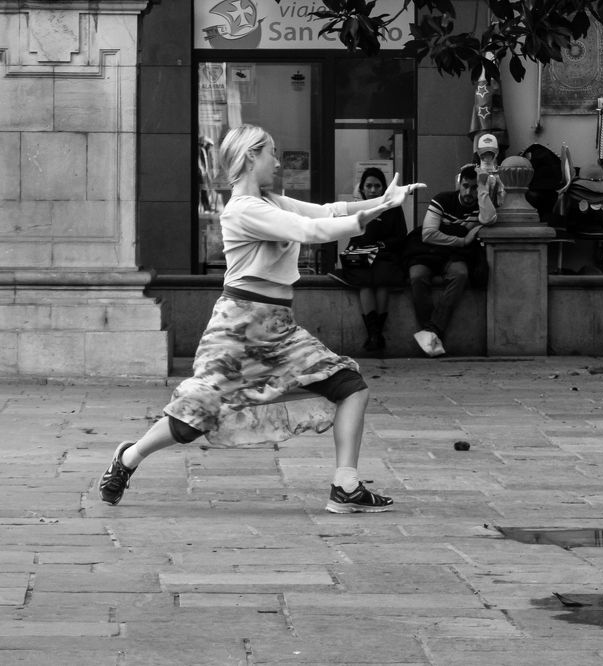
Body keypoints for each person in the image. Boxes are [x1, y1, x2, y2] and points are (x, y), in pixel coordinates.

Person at [98, 124, 425, 513]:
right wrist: (366, 217)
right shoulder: (243, 209)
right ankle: (129, 457)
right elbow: (310, 229)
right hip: (237, 329)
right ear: (251, 155)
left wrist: (384, 202)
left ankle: (346, 486)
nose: (277, 161)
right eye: (272, 152)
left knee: (351, 386)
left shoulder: (271, 201)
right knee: (194, 417)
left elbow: (326, 212)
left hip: (279, 328)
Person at [405, 162, 497, 357]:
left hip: (454, 257)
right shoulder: (442, 200)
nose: (468, 192)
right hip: (429, 253)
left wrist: (483, 189)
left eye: (474, 187)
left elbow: (489, 219)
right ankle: (431, 332)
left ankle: (431, 332)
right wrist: (462, 240)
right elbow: (428, 234)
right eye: (465, 186)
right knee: (417, 276)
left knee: (460, 274)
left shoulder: (481, 205)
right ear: (459, 184)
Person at [337, 167, 409, 353]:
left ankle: (375, 334)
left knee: (382, 280)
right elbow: (354, 236)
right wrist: (352, 249)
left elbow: (401, 235)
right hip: (363, 256)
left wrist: (381, 246)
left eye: (377, 186)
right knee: (365, 282)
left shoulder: (393, 207)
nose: (373, 190)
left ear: (383, 188)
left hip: (386, 255)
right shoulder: (359, 208)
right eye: (369, 186)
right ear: (362, 188)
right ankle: (374, 334)